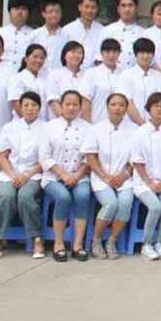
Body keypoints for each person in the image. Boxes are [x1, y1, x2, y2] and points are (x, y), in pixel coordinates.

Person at [0, 91, 45, 261]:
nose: (30, 109)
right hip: (9, 174)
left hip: (33, 174)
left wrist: (26, 175)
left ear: (39, 108)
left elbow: (45, 159)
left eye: (34, 105)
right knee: (5, 197)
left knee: (26, 197)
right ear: (19, 107)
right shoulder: (9, 127)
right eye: (26, 105)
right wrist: (13, 174)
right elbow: (1, 156)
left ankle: (36, 239)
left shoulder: (46, 129)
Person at [39, 89, 94, 262]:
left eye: (75, 104)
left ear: (80, 107)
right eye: (67, 104)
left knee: (83, 196)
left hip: (79, 175)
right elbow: (44, 157)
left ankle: (77, 245)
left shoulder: (88, 128)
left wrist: (77, 175)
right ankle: (59, 243)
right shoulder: (49, 127)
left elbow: (89, 156)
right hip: (53, 176)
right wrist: (63, 175)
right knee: (63, 197)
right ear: (61, 106)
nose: (71, 108)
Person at [84, 92, 137, 259]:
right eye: (113, 104)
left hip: (125, 177)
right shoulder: (96, 129)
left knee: (125, 203)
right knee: (110, 204)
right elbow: (90, 156)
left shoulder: (134, 130)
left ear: (126, 108)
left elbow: (136, 158)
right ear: (107, 107)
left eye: (121, 105)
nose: (117, 108)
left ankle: (112, 240)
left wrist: (124, 175)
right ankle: (96, 240)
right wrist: (104, 176)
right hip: (101, 176)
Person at [132, 92, 161, 260]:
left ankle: (160, 243)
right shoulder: (140, 132)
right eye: (156, 106)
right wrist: (150, 183)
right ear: (148, 109)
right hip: (143, 181)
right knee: (155, 207)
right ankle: (146, 245)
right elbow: (137, 161)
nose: (160, 109)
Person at [115, 38, 161, 126]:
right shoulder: (126, 75)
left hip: (156, 126)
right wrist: (143, 125)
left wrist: (153, 125)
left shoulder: (160, 77)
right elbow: (127, 102)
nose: (146, 56)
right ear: (136, 54)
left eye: (149, 53)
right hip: (131, 125)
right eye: (142, 53)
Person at [81, 39, 122, 123]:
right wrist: (87, 125)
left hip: (120, 124)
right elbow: (85, 101)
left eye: (114, 52)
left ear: (119, 53)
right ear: (101, 53)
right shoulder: (91, 73)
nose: (111, 55)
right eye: (107, 52)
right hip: (97, 122)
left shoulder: (124, 74)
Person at [101, 0, 144, 71]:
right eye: (123, 5)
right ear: (118, 9)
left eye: (130, 5)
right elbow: (99, 59)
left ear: (136, 8)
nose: (127, 9)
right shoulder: (107, 31)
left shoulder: (143, 33)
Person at [62, 0, 104, 67]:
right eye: (86, 7)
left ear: (97, 9)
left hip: (95, 71)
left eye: (93, 7)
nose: (89, 11)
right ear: (80, 7)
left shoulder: (102, 30)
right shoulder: (67, 29)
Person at [8, 44, 48, 122]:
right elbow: (16, 104)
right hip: (23, 123)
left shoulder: (44, 79)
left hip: (42, 123)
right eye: (35, 57)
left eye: (42, 58)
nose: (38, 60)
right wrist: (31, 123)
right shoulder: (16, 78)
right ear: (26, 59)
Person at [47, 41, 86, 119]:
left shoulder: (87, 75)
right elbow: (53, 101)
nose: (76, 55)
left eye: (79, 53)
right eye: (73, 52)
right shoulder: (55, 75)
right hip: (60, 121)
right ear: (64, 55)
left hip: (81, 121)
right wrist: (66, 119)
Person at [27, 0, 66, 73]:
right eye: (50, 12)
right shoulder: (34, 36)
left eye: (57, 11)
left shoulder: (67, 36)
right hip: (38, 76)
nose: (54, 15)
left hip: (60, 77)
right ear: (43, 14)